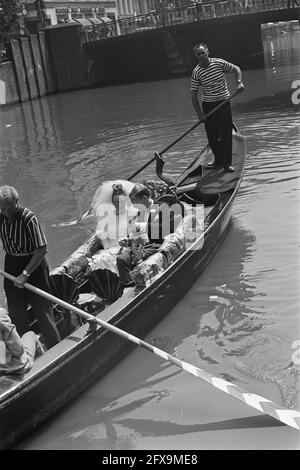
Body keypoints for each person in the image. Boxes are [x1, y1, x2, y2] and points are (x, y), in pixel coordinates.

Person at [0, 186, 61, 350]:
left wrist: (25, 274)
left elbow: (42, 249)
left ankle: (55, 351)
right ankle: (28, 354)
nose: (6, 212)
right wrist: (18, 275)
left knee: (43, 313)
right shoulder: (1, 216)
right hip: (11, 264)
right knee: (16, 315)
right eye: (2, 208)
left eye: (8, 208)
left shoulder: (28, 217)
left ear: (16, 202)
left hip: (33, 266)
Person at [190, 43, 244, 172]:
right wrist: (200, 115)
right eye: (198, 54)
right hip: (208, 105)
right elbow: (193, 95)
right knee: (212, 136)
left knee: (226, 134)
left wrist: (239, 82)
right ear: (196, 56)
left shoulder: (219, 63)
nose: (201, 55)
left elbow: (236, 69)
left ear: (208, 52)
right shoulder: (196, 72)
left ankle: (227, 163)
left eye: (203, 52)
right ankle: (218, 161)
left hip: (223, 102)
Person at [116, 183, 181, 287]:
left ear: (145, 198)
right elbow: (136, 234)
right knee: (121, 259)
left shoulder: (162, 207)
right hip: (144, 245)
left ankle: (138, 285)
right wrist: (128, 241)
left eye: (135, 203)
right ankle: (130, 285)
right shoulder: (140, 212)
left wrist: (145, 226)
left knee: (128, 259)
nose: (133, 206)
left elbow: (168, 228)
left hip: (159, 245)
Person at [0, 307, 45, 375]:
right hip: (15, 367)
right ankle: (45, 372)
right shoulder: (1, 314)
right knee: (30, 335)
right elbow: (18, 351)